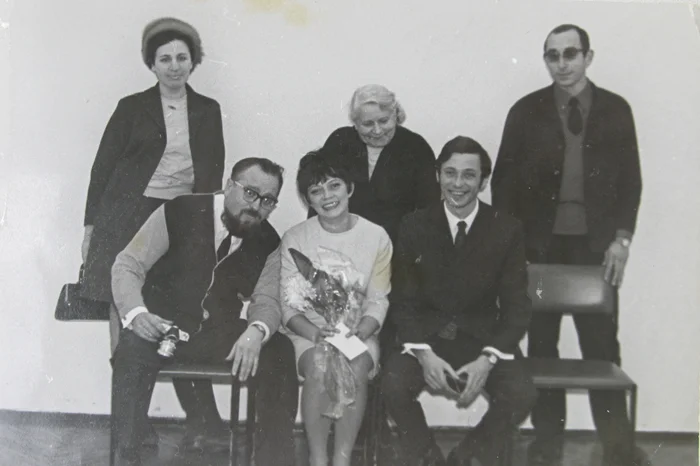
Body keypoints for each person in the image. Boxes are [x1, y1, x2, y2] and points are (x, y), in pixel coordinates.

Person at [491, 24, 644, 466]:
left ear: (588, 57)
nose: (562, 64)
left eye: (570, 54)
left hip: (596, 250)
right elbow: (503, 183)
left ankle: (617, 446)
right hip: (539, 249)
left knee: (602, 346)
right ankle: (547, 442)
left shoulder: (616, 109)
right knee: (542, 345)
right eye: (552, 55)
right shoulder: (526, 111)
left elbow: (631, 181)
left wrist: (621, 239)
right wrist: (513, 249)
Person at [110, 158, 297, 466]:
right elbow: (128, 264)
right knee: (131, 352)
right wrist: (136, 313)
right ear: (229, 186)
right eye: (250, 193)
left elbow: (266, 299)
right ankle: (125, 459)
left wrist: (257, 330)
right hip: (160, 328)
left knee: (278, 349)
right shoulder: (178, 210)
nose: (256, 207)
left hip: (216, 334)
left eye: (267, 200)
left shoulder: (268, 241)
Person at [381, 136, 537, 466]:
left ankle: (467, 457)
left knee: (522, 392)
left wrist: (488, 359)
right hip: (427, 337)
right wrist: (423, 354)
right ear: (438, 175)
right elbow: (403, 300)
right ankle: (427, 457)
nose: (458, 184)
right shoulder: (413, 224)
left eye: (469, 175)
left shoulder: (507, 228)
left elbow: (517, 307)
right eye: (450, 173)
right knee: (392, 383)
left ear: (483, 181)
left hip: (483, 339)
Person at [81, 17, 225, 354]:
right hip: (130, 212)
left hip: (180, 214)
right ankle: (122, 369)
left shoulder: (208, 110)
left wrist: (208, 223)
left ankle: (162, 361)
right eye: (165, 59)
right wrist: (90, 227)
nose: (174, 67)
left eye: (182, 58)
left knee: (173, 293)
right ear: (152, 64)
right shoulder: (131, 107)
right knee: (122, 292)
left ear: (193, 61)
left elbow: (213, 171)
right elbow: (102, 169)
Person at [280, 149, 392, 466]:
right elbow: (289, 308)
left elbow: (378, 299)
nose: (327, 196)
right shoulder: (295, 238)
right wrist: (317, 334)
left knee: (355, 363)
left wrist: (360, 331)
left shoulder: (376, 236)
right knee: (320, 366)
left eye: (334, 185)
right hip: (310, 334)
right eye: (316, 191)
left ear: (349, 188)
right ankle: (318, 458)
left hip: (358, 331)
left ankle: (342, 459)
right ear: (307, 199)